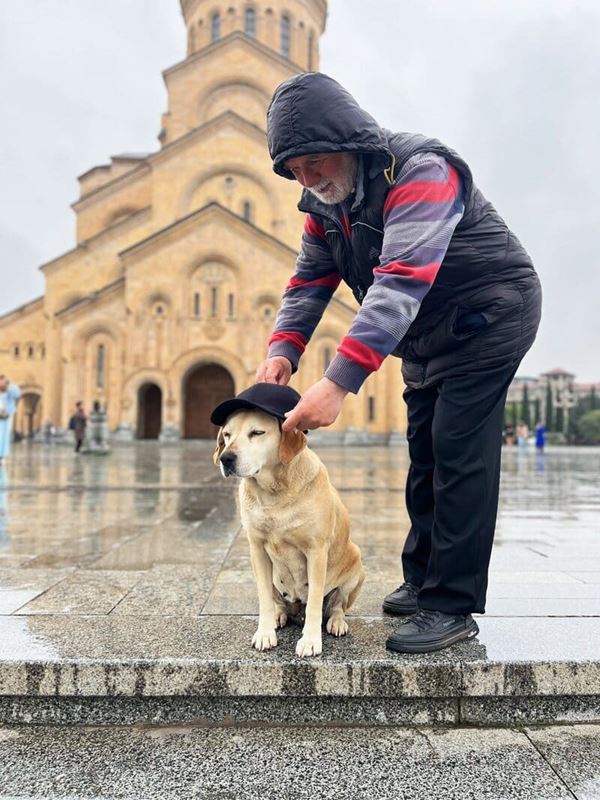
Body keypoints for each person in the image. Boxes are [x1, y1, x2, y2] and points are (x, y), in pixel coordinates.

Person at [255, 72, 542, 653]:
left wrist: (338, 383)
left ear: (348, 139)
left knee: (459, 451)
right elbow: (311, 278)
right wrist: (282, 351)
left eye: (315, 164)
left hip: (489, 313)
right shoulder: (324, 203)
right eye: (295, 173)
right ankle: (421, 580)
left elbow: (401, 280)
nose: (309, 182)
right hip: (425, 332)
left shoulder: (420, 170)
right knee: (425, 451)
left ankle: (451, 605)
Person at [0, 375, 21, 464]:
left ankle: (2, 455)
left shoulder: (11, 389)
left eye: (3, 383)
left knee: (4, 435)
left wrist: (9, 386)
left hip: (6, 416)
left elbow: (17, 395)